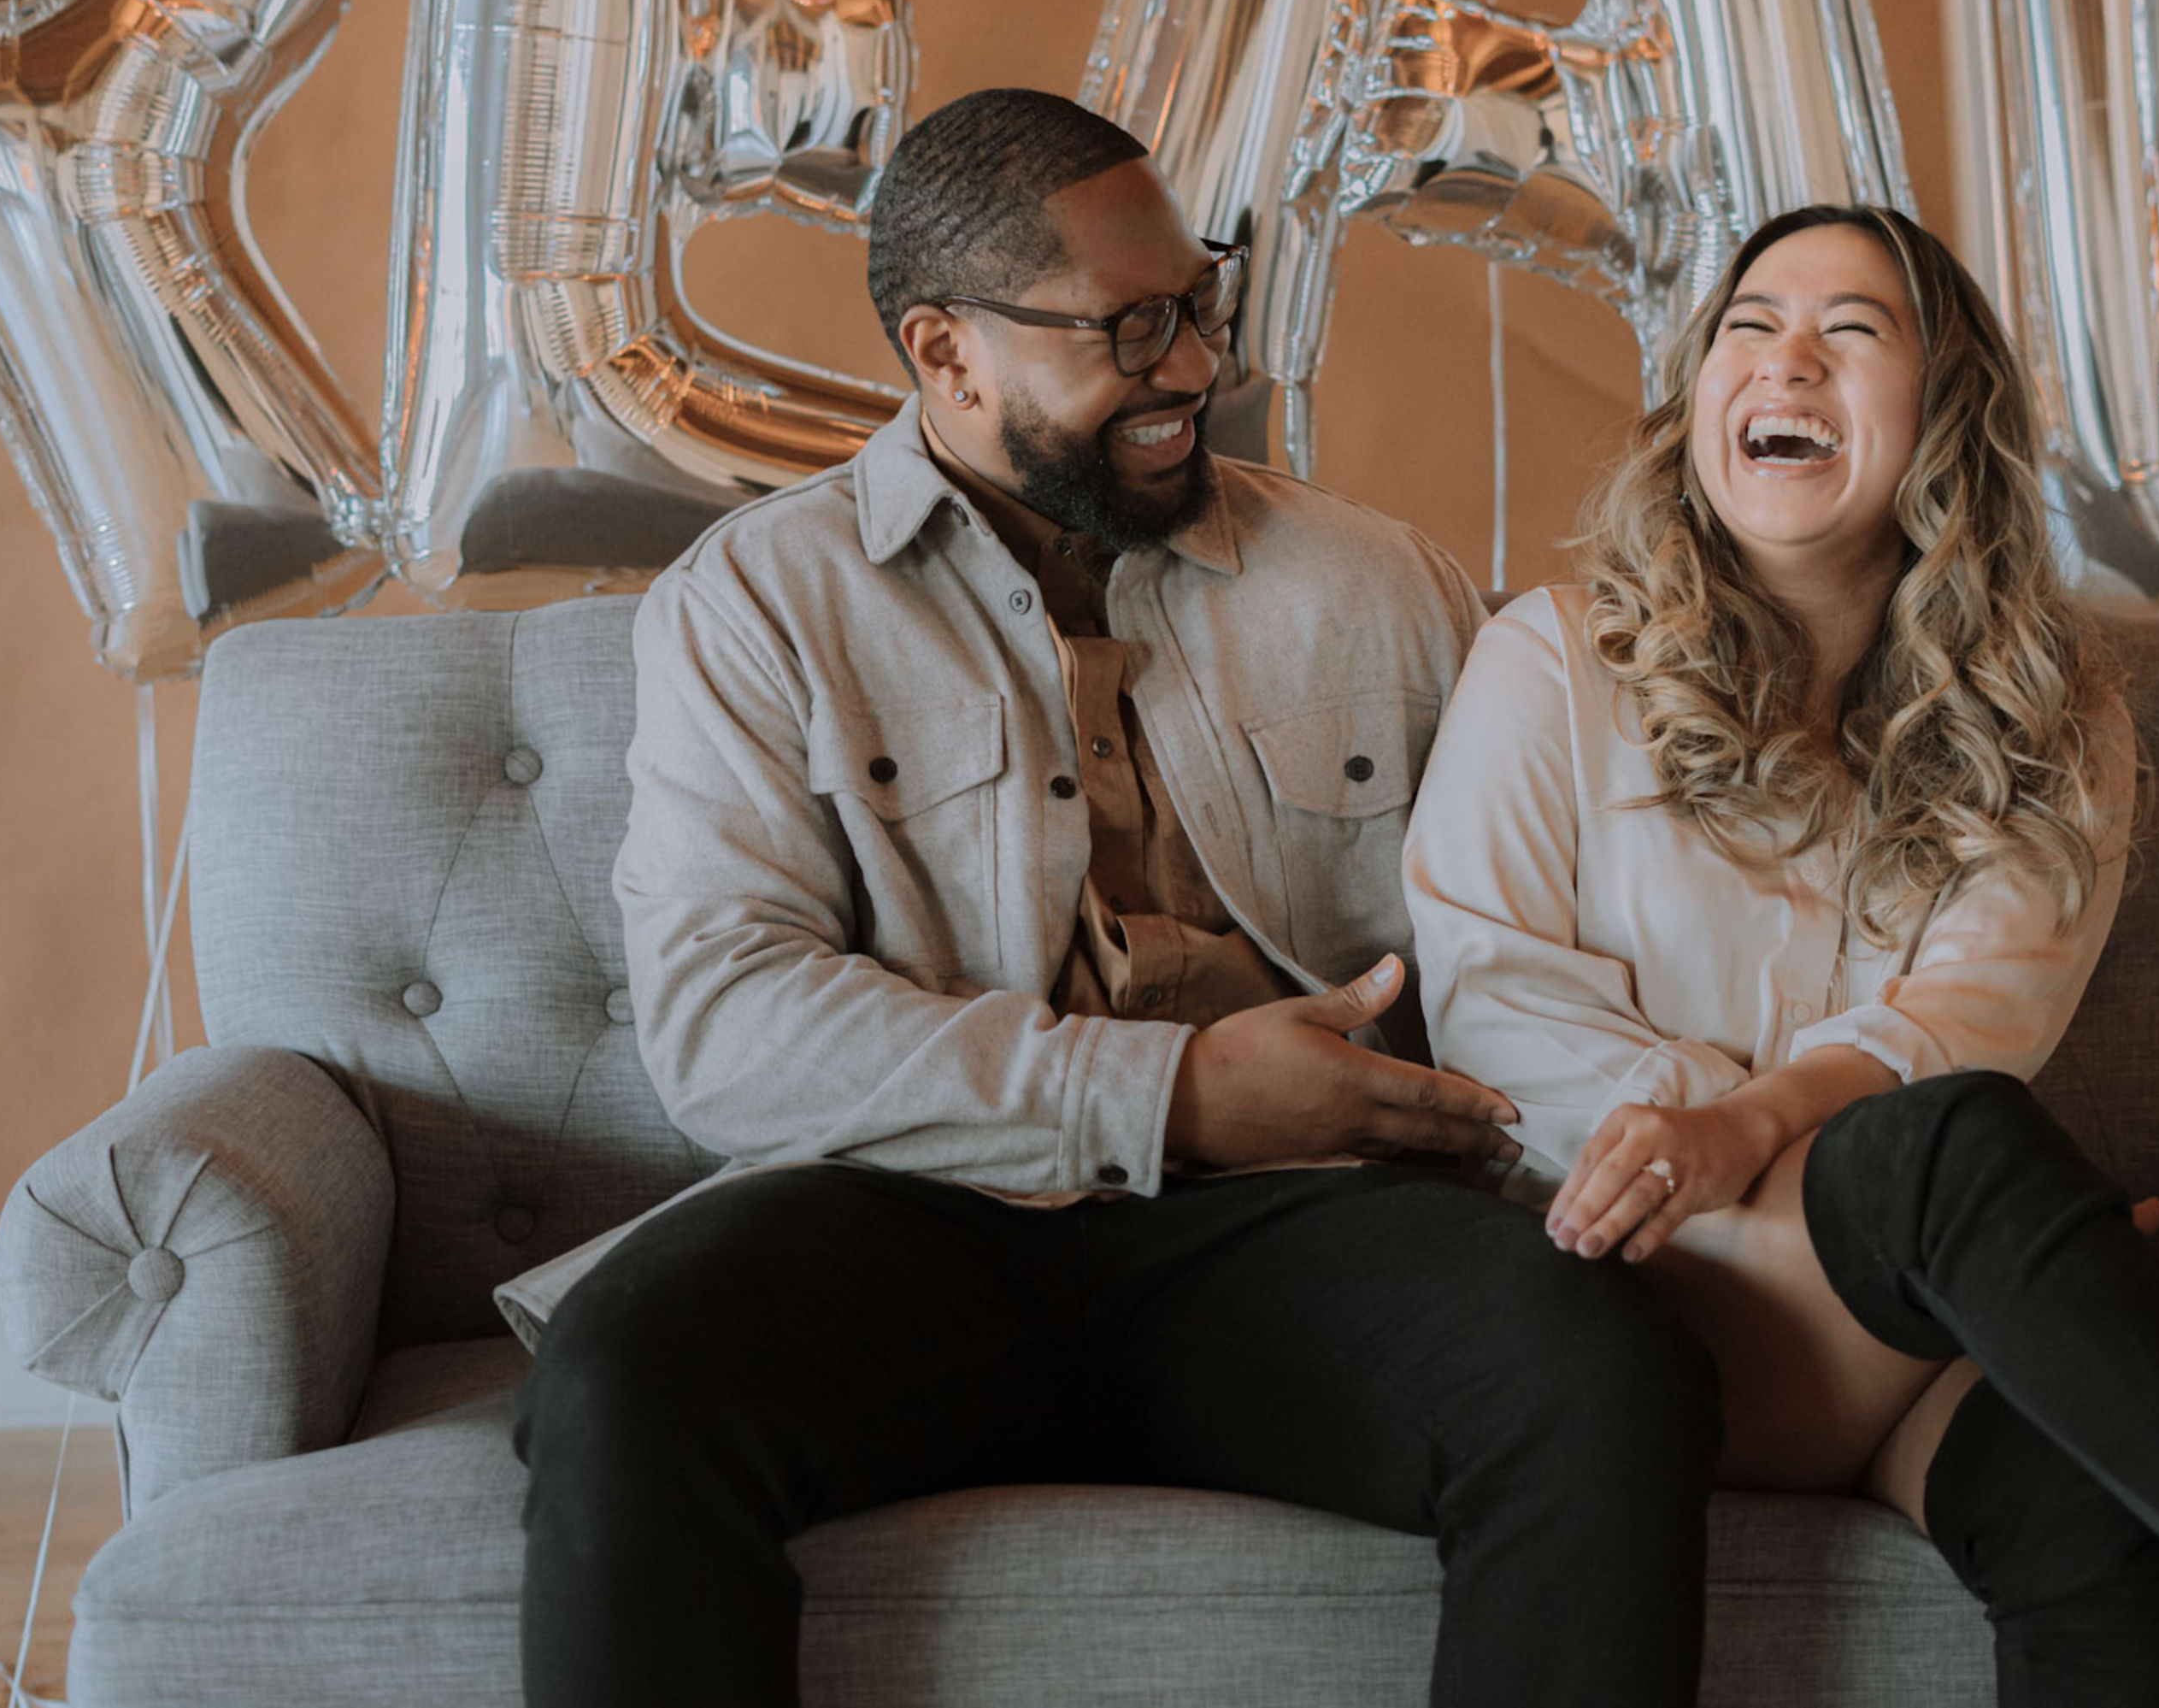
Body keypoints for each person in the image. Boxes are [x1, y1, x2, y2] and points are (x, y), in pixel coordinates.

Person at [504, 88, 1721, 1708]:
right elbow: (726, 1024)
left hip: (1314, 1231)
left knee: (1602, 1367)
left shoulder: (1384, 584)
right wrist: (1176, 1092)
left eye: (1200, 303)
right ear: (947, 355)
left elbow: (1562, 925)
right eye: (1132, 329)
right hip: (920, 1215)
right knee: (625, 1369)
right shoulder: (756, 606)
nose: (1196, 368)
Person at [1408, 203, 2159, 1705]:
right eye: (1748, 325)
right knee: (1958, 1164)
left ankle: (2059, 1314)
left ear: (1946, 412)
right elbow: (1497, 1006)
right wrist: (2010, 1242)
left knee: (2096, 1489)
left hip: (1906, 1338)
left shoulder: (2052, 714)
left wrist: (1845, 1172)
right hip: (1643, 1312)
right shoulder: (1555, 658)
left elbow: (1979, 1012)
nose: (1785, 360)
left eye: (1849, 333)